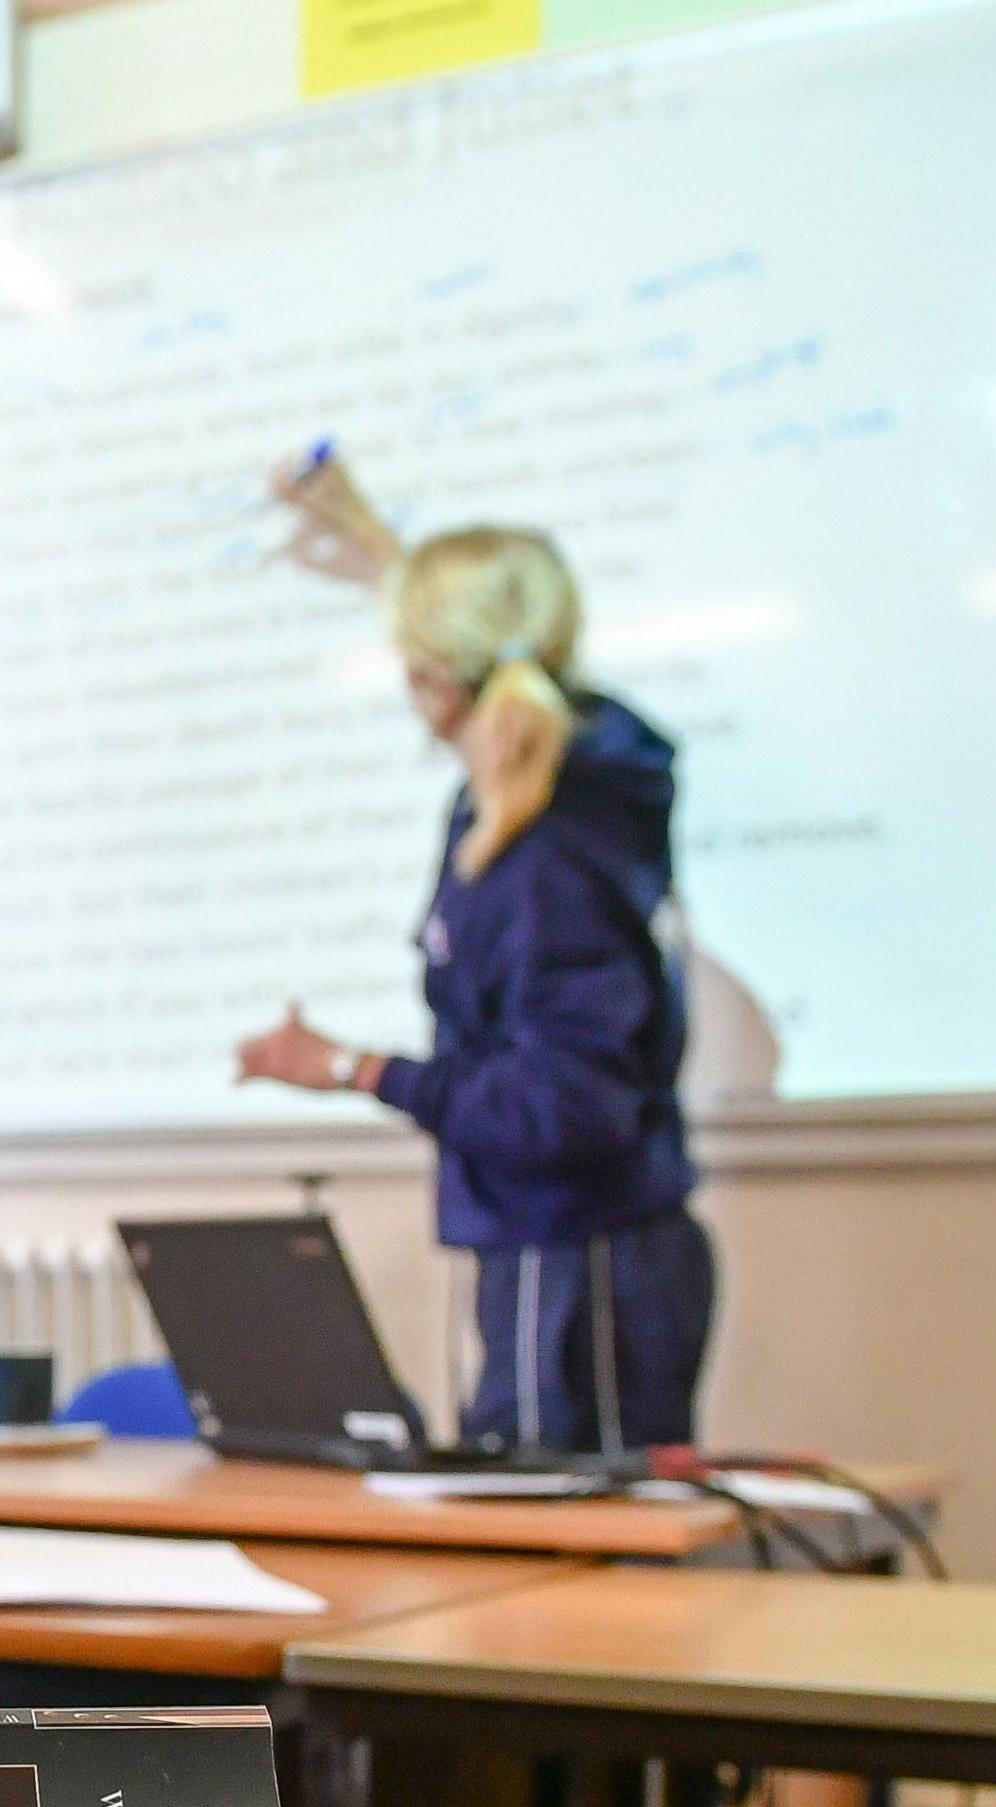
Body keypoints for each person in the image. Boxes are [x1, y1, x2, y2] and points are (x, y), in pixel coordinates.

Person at [236, 460, 715, 1453]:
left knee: (566, 1580)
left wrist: (353, 1069)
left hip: (578, 1267)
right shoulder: (569, 790)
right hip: (565, 1253)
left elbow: (560, 1110)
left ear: (435, 679)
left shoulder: (543, 855)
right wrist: (372, 542)